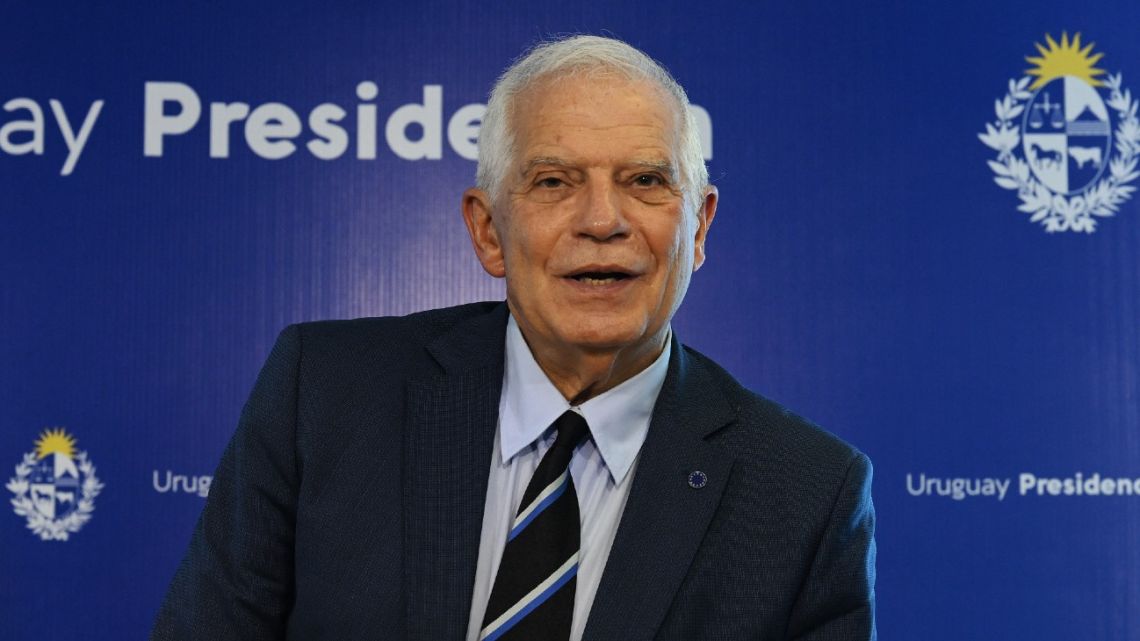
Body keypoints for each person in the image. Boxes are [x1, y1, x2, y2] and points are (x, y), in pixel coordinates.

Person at [152, 35, 875, 641]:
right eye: (555, 181)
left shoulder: (810, 493)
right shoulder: (324, 393)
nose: (603, 220)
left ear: (700, 227)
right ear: (487, 230)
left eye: (646, 180)